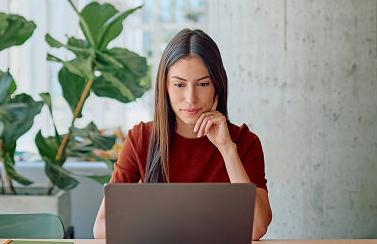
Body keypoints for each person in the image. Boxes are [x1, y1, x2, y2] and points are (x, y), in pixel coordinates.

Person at [93, 29, 273, 240]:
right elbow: (102, 228)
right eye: (179, 85)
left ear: (218, 86)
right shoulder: (141, 138)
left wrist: (227, 149)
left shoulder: (244, 142)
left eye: (203, 84)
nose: (191, 98)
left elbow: (257, 228)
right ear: (165, 88)